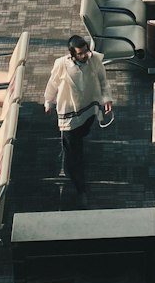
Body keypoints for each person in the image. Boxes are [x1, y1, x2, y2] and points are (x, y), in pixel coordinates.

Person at [44, 35, 112, 207]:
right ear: (72, 54)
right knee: (74, 155)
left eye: (85, 52)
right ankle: (80, 187)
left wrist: (107, 99)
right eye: (80, 54)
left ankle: (73, 156)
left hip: (89, 108)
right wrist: (48, 101)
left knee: (82, 135)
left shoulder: (94, 59)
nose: (84, 56)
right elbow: (52, 83)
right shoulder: (62, 65)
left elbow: (103, 80)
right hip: (70, 111)